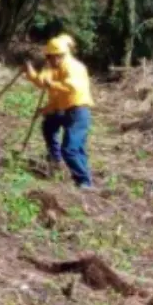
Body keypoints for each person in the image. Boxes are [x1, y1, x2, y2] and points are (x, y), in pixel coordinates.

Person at [24, 34, 95, 189]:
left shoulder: (74, 68)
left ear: (61, 55)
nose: (49, 60)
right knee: (50, 126)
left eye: (52, 57)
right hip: (64, 110)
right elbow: (47, 86)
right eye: (48, 57)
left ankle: (84, 181)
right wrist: (31, 74)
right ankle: (56, 160)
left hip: (78, 111)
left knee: (70, 150)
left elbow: (71, 87)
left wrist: (52, 84)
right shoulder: (54, 67)